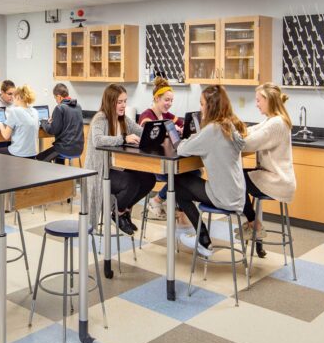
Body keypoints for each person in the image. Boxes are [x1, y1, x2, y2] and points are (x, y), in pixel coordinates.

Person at [175, 85, 246, 258]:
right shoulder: (229, 125)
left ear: (210, 106)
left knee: (176, 185)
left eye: (201, 104)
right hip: (237, 194)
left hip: (223, 196)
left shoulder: (212, 130)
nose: (200, 108)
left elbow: (182, 149)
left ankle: (202, 238)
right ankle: (202, 236)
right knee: (184, 183)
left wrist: (192, 139)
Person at [85, 84, 156, 237]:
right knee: (131, 182)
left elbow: (142, 132)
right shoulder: (100, 118)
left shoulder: (124, 120)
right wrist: (123, 138)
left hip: (117, 168)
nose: (123, 105)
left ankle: (123, 211)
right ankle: (117, 212)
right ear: (110, 102)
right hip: (99, 170)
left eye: (125, 101)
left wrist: (161, 132)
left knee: (149, 179)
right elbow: (98, 140)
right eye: (119, 102)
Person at [239, 83, 297, 256]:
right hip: (272, 177)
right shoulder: (273, 120)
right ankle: (254, 227)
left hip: (277, 181)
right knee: (237, 177)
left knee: (233, 179)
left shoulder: (276, 123)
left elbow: (247, 143)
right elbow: (251, 131)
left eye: (258, 100)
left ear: (268, 100)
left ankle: (253, 223)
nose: (256, 104)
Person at [138, 77, 193, 226]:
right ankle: (163, 203)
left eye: (171, 101)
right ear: (157, 98)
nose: (169, 104)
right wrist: (169, 131)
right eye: (166, 100)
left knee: (193, 173)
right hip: (152, 163)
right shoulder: (147, 115)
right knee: (182, 176)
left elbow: (182, 124)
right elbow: (147, 129)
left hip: (166, 159)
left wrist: (180, 128)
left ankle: (169, 205)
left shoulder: (167, 115)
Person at [37, 83, 84, 163]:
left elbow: (52, 130)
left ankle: (52, 175)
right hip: (78, 149)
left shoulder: (60, 108)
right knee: (57, 155)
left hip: (64, 148)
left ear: (59, 97)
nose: (56, 101)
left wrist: (44, 122)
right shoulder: (78, 106)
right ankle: (60, 174)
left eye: (55, 99)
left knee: (39, 158)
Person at [0, 84, 39, 158]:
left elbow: (6, 136)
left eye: (13, 96)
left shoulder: (15, 111)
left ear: (18, 97)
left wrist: (0, 125)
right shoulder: (35, 111)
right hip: (33, 153)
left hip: (19, 153)